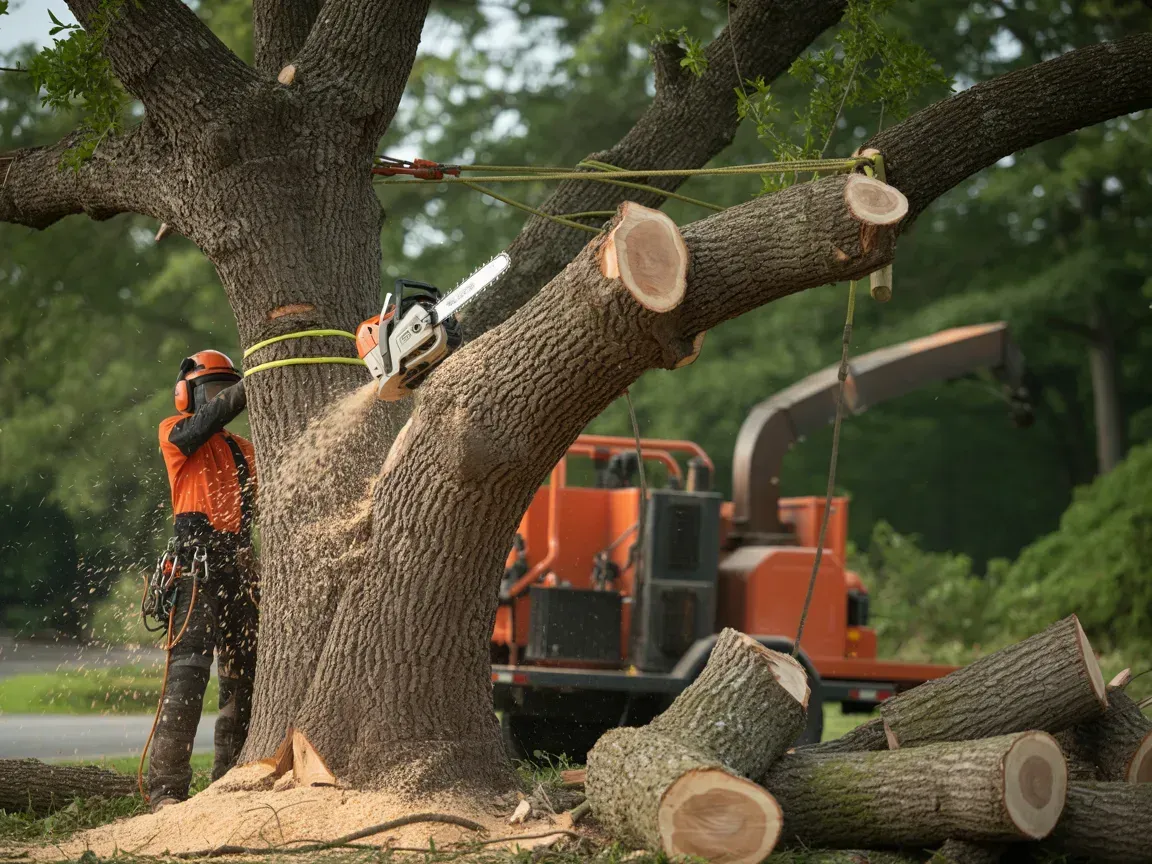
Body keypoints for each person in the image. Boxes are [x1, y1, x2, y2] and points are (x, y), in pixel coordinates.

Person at [150, 350, 258, 811]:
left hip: (236, 569)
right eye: (211, 391)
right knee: (187, 677)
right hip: (195, 569)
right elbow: (202, 425)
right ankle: (166, 790)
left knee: (244, 678)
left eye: (225, 389)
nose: (218, 401)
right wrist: (254, 382)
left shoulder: (243, 449)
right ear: (187, 396)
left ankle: (227, 780)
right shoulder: (176, 433)